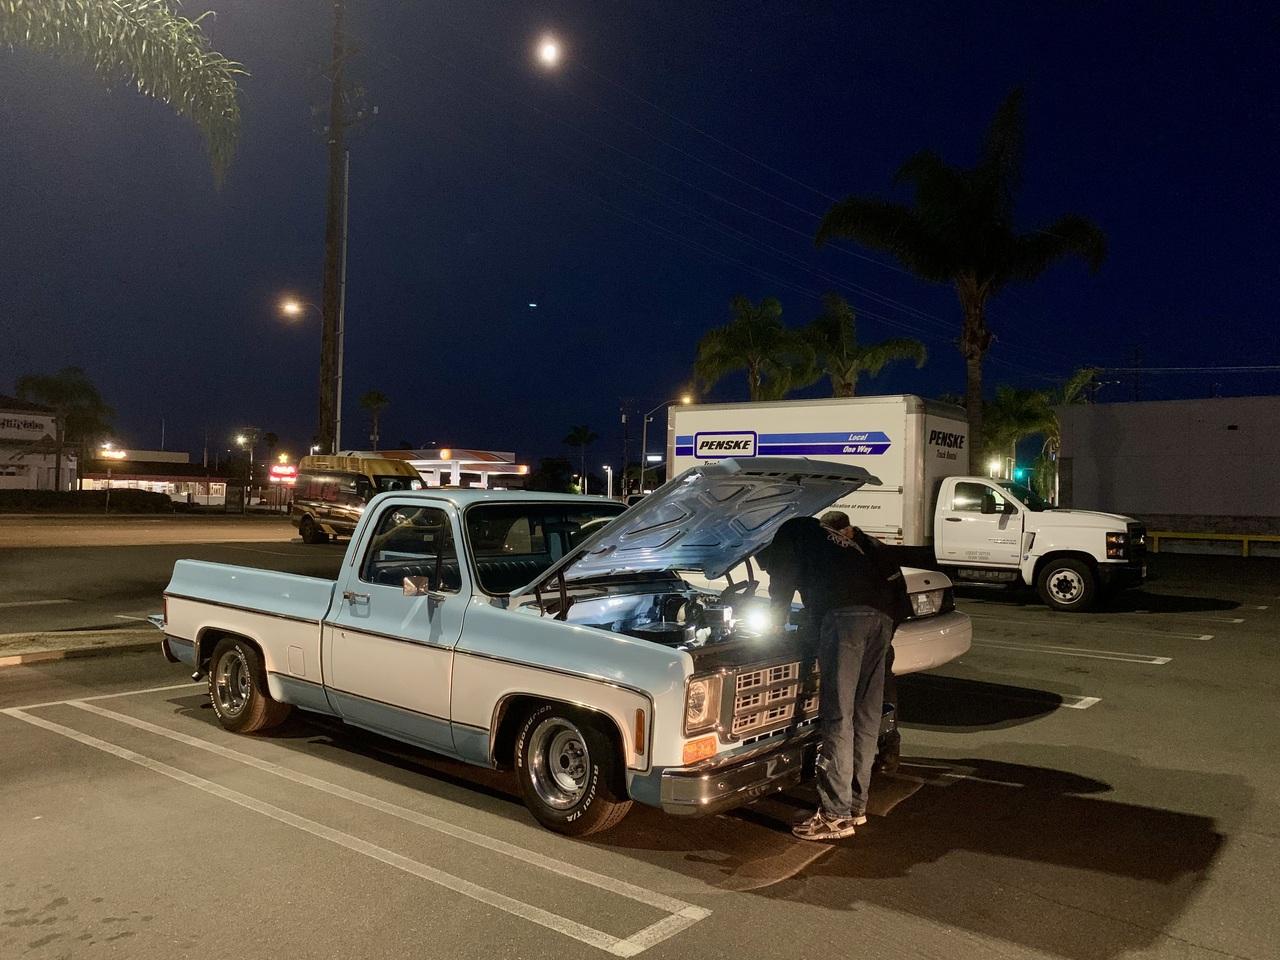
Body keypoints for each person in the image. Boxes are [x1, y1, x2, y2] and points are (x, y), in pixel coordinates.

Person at [761, 514, 909, 841]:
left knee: (838, 715)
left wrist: (773, 629)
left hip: (846, 618)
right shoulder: (827, 537)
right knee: (865, 714)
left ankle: (834, 816)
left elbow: (780, 586)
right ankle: (855, 806)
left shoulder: (787, 533)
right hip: (880, 616)